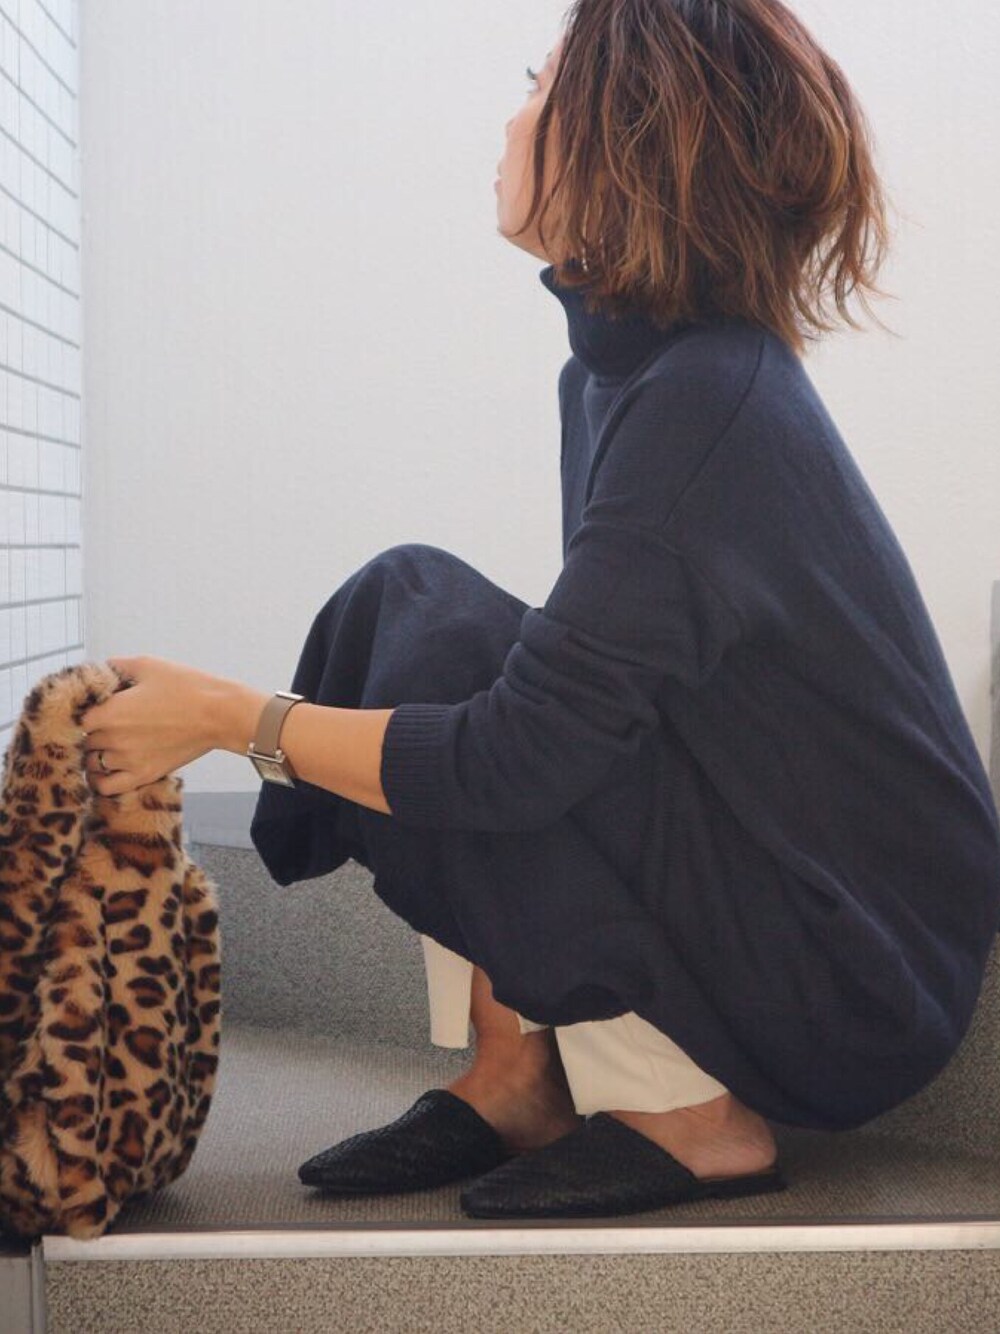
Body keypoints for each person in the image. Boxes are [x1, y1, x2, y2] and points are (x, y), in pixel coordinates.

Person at [79, 0, 1000, 1221]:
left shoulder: (706, 399)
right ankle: (518, 1076)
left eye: (536, 82)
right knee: (410, 600)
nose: (510, 118)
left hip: (854, 975)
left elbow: (520, 755)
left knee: (460, 668)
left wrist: (229, 718)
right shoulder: (631, 372)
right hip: (793, 897)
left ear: (626, 137)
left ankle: (690, 1117)